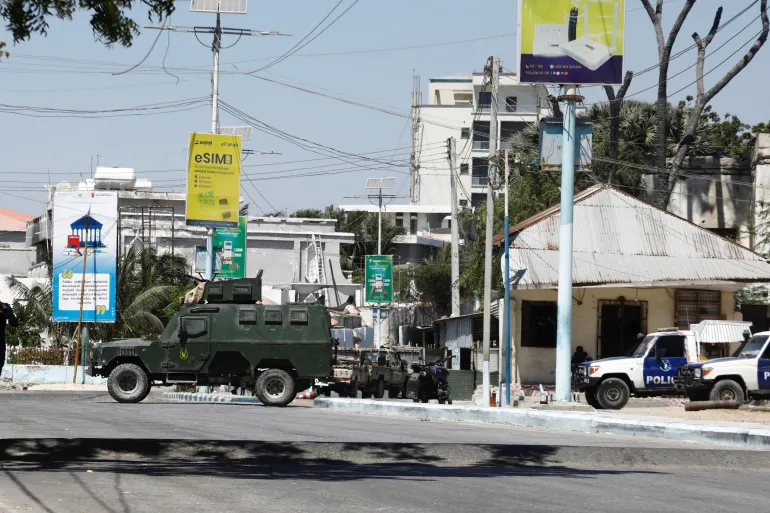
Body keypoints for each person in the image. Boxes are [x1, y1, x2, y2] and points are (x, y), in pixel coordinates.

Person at [0, 300, 19, 378]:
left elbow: (14, 323)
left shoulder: (4, 306)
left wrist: (4, 309)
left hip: (0, 344)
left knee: (0, 364)